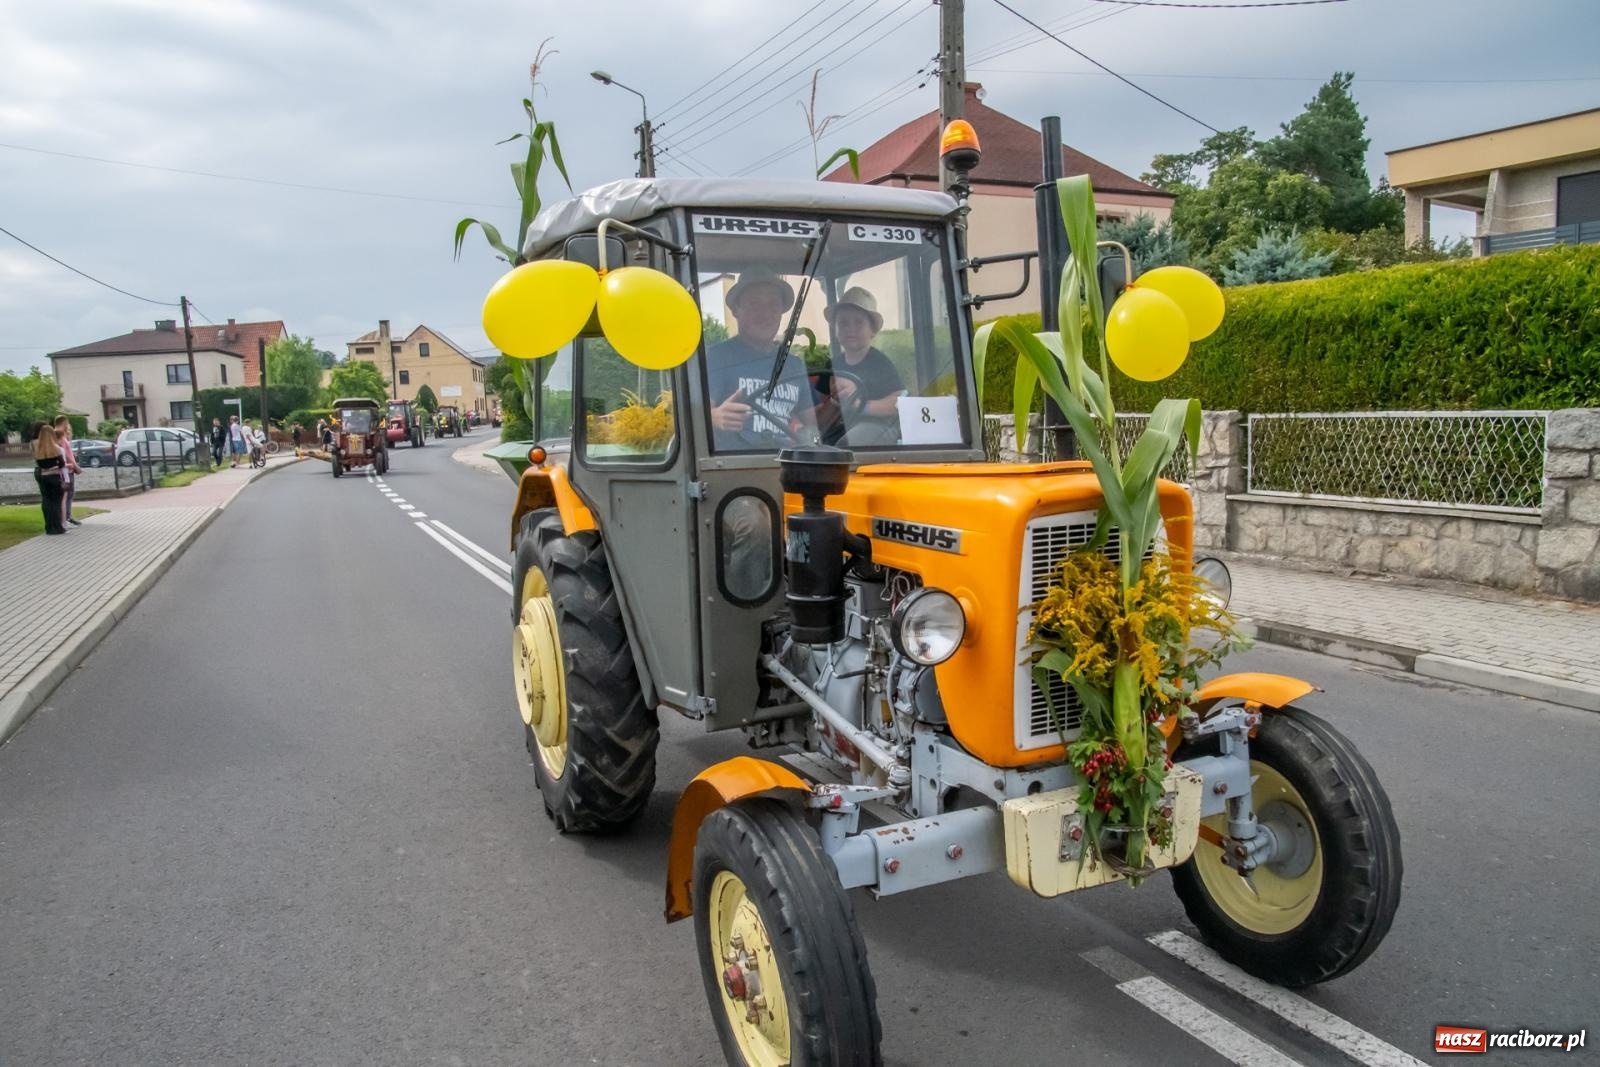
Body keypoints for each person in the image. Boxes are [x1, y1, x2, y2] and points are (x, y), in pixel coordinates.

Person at [706, 269, 818, 451]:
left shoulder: (794, 365)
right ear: (736, 310)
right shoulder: (717, 357)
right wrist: (714, 417)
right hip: (734, 467)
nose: (765, 314)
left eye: (773, 305)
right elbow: (695, 416)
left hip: (788, 463)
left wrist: (813, 446)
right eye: (754, 305)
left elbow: (812, 427)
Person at [821, 287, 906, 446]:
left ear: (872, 331)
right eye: (843, 323)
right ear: (836, 329)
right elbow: (822, 409)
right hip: (843, 425)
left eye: (858, 322)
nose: (850, 328)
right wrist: (833, 402)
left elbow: (899, 401)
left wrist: (861, 405)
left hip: (878, 425)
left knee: (846, 445)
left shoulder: (880, 363)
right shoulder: (833, 365)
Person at [31, 421, 66, 535]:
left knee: (46, 501)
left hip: (42, 476)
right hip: (54, 476)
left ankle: (49, 527)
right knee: (56, 502)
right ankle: (57, 526)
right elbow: (62, 464)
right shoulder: (56, 448)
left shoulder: (37, 449)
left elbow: (39, 463)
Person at [54, 417, 83, 527]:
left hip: (68, 467)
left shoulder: (61, 434)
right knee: (68, 493)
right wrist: (75, 466)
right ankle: (66, 517)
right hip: (67, 468)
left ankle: (67, 517)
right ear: (64, 422)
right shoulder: (59, 434)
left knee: (69, 493)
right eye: (67, 423)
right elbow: (63, 454)